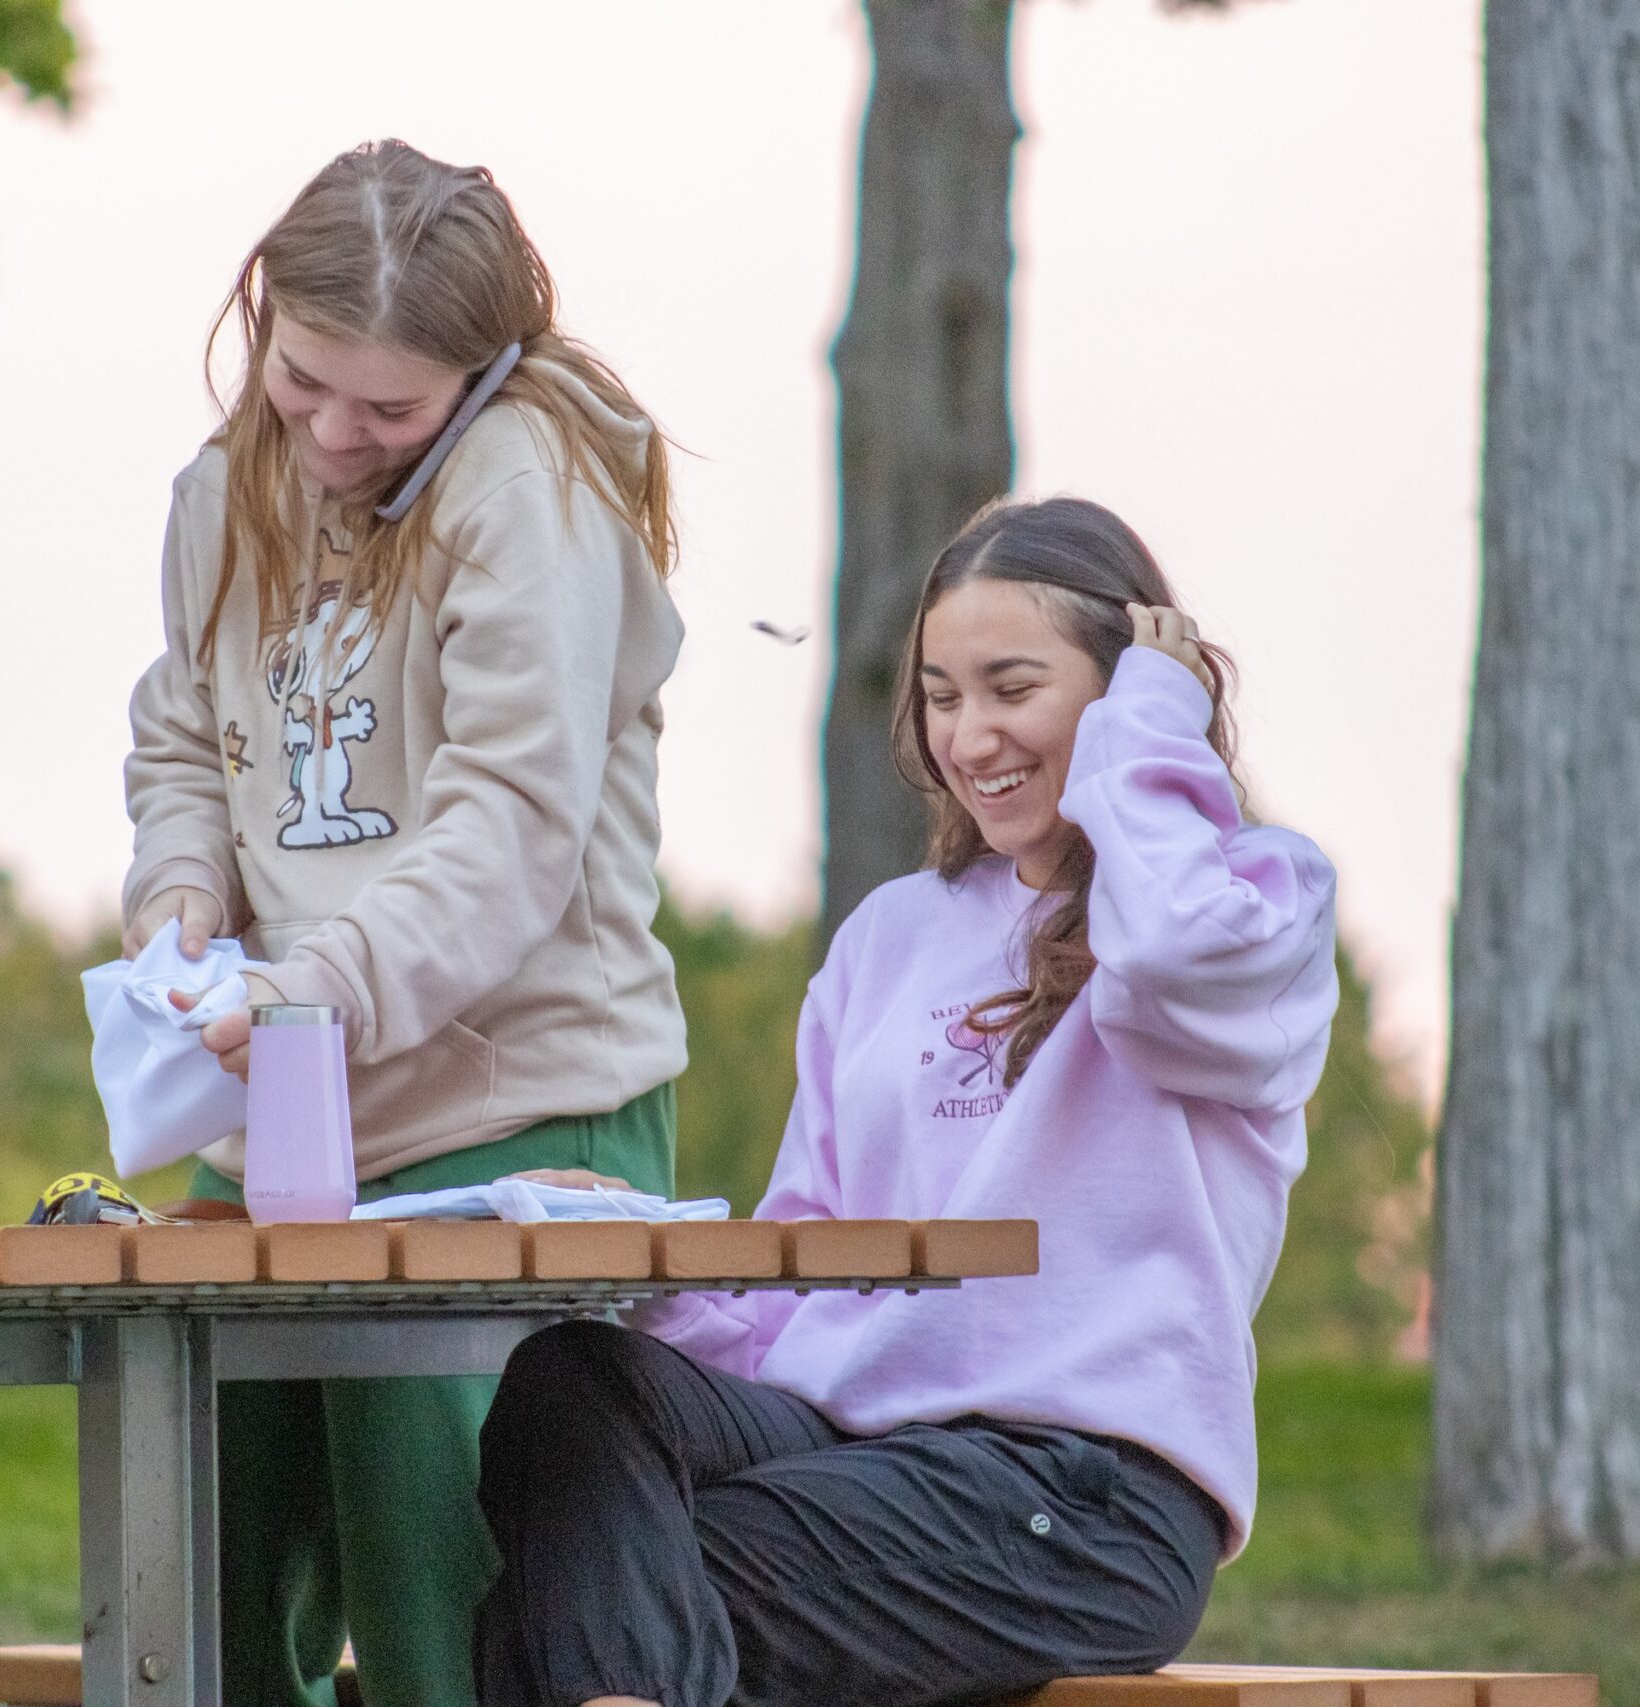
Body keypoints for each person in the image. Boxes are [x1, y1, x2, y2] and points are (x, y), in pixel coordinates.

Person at [473, 497, 1340, 1707]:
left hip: (1083, 1490)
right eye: (941, 696)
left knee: (567, 1606)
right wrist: (645, 1257)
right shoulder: (891, 938)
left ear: (1124, 696)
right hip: (859, 1447)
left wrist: (1149, 729)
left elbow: (1168, 959)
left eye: (1012, 687)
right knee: (574, 1384)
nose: (972, 736)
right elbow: (810, 1269)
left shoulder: (1254, 904)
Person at [119, 140, 687, 1707]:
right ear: (263, 319)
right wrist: (183, 901)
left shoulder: (535, 487)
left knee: (452, 1599)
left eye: (390, 408)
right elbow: (183, 737)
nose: (334, 434)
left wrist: (314, 988)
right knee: (199, 1562)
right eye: (306, 382)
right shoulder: (223, 487)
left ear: (485, 369)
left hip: (512, 1111)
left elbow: (510, 823)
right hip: (276, 1114)